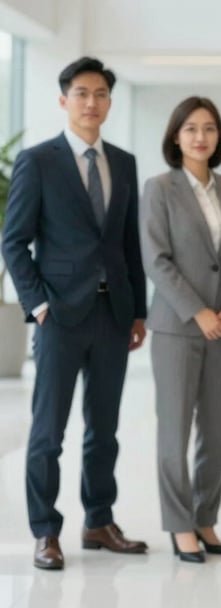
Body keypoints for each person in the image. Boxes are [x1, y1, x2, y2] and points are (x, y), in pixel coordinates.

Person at [1, 57, 148, 570]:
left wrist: (138, 311)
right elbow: (13, 242)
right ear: (64, 100)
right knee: (48, 433)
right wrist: (39, 305)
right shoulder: (38, 161)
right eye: (82, 93)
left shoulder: (123, 163)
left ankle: (99, 521)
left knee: (103, 429)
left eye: (101, 94)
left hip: (113, 315)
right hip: (59, 317)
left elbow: (127, 243)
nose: (92, 102)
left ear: (110, 102)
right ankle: (45, 531)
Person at [140, 96, 221, 564]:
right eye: (191, 129)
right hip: (177, 327)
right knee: (175, 431)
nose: (200, 137)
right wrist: (198, 311)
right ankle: (179, 525)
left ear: (218, 137)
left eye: (209, 128)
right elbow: (156, 261)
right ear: (176, 137)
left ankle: (205, 518)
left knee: (216, 433)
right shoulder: (160, 188)